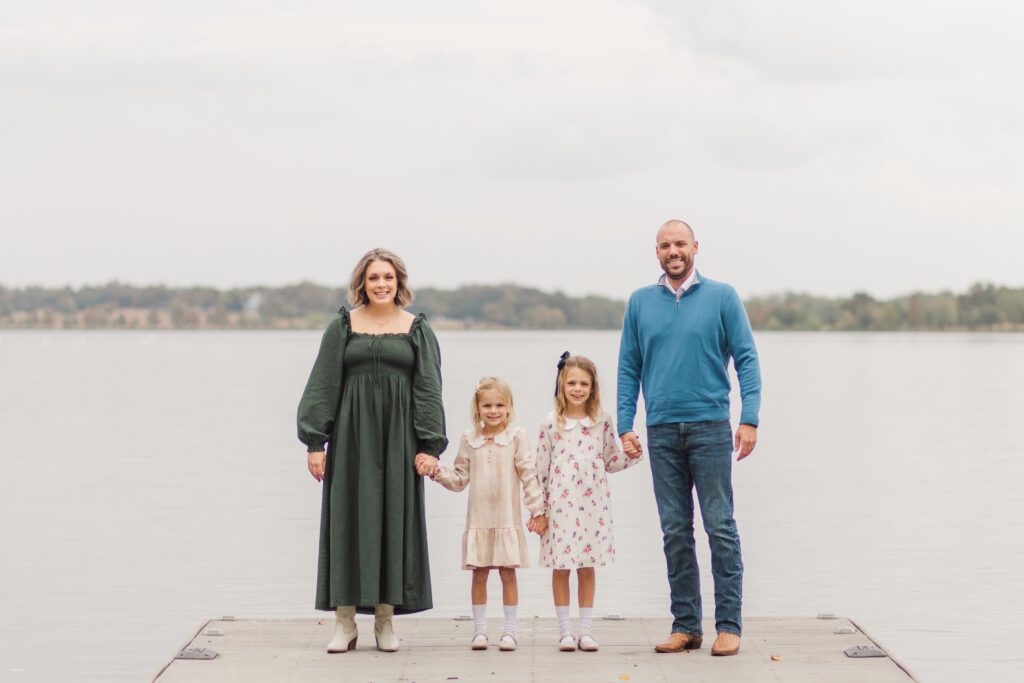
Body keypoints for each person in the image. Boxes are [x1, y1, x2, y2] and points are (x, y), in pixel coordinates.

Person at [617, 220, 761, 657]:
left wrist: (749, 417)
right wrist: (625, 424)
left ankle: (729, 625)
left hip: (711, 428)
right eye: (665, 245)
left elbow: (747, 360)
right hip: (660, 430)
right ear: (656, 252)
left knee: (720, 526)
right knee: (675, 531)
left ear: (695, 247)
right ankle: (686, 626)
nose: (673, 251)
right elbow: (628, 367)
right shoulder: (641, 302)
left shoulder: (722, 297)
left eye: (680, 243)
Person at [296, 247, 447, 654]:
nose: (381, 284)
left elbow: (429, 389)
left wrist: (430, 445)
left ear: (400, 283)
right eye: (374, 277)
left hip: (400, 441)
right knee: (348, 520)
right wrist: (315, 441)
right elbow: (323, 384)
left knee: (392, 522)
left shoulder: (416, 329)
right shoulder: (342, 326)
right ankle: (344, 623)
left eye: (388, 277)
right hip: (350, 440)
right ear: (362, 283)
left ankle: (385, 622)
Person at [431, 377, 547, 651]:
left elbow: (529, 475)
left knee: (508, 574)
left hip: (507, 520)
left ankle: (510, 631)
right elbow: (460, 478)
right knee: (479, 574)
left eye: (499, 405)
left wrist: (537, 511)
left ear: (509, 407)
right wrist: (437, 471)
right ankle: (480, 630)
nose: (493, 410)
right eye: (487, 405)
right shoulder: (469, 440)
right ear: (477, 408)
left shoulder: (516, 437)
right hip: (479, 521)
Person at [536, 353, 642, 652]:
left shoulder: (602, 421)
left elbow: (610, 460)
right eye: (572, 382)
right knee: (561, 566)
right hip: (559, 507)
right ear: (561, 385)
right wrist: (538, 511)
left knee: (586, 566)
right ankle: (564, 631)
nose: (578, 388)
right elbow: (540, 472)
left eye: (584, 383)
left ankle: (585, 630)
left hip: (592, 506)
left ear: (593, 387)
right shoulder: (549, 423)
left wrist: (631, 455)